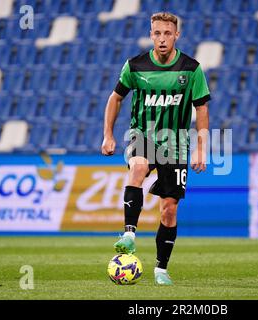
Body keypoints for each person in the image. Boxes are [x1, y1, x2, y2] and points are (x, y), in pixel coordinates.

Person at [101, 12, 210, 286]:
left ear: (177, 35)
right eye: (157, 33)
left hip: (175, 145)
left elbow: (202, 109)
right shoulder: (134, 66)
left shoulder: (191, 69)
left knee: (168, 210)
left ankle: (161, 269)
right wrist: (108, 135)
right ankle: (129, 234)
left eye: (168, 33)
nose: (162, 39)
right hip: (143, 136)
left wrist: (201, 149)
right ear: (151, 35)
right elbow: (115, 99)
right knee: (138, 167)